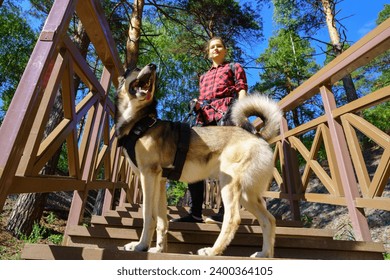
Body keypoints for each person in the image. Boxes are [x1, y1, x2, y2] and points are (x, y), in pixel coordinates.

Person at [171, 37, 248, 224]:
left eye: (219, 46)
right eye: (212, 47)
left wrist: (241, 114)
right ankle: (195, 213)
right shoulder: (203, 77)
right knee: (193, 160)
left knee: (227, 163)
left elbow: (242, 90)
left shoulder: (234, 67)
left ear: (225, 50)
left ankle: (225, 212)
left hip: (227, 114)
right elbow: (203, 98)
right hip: (203, 120)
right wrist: (196, 105)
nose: (215, 49)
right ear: (208, 52)